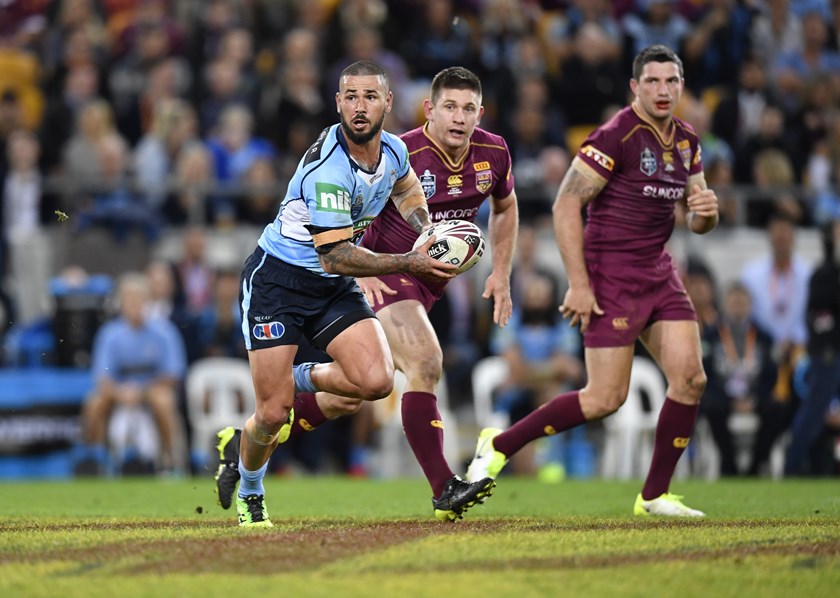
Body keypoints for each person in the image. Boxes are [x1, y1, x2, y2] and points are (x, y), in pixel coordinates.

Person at [213, 61, 493, 527]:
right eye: (350, 96)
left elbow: (405, 189)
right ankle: (251, 488)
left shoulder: (394, 150)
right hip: (278, 281)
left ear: (387, 103)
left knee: (376, 382)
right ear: (338, 103)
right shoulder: (330, 170)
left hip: (329, 288)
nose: (359, 107)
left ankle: (296, 378)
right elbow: (336, 257)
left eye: (369, 96)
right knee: (272, 411)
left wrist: (426, 230)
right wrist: (412, 261)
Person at [466, 45, 719, 517]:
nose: (663, 90)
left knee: (691, 378)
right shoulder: (616, 135)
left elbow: (697, 214)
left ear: (682, 86)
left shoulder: (687, 141)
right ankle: (499, 443)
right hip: (611, 274)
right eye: (652, 82)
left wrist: (707, 215)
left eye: (671, 82)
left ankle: (655, 495)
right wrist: (579, 284)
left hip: (659, 272)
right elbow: (565, 204)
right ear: (635, 87)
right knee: (605, 398)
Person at [287, 65, 519, 519]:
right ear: (429, 109)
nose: (458, 117)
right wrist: (361, 271)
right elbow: (349, 211)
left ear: (480, 114)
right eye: (449, 107)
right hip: (384, 272)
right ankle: (444, 489)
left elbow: (506, 207)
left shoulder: (495, 152)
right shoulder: (401, 150)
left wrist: (503, 273)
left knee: (352, 394)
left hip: (429, 284)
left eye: (468, 109)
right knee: (427, 363)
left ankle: (255, 435)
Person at [78, 272, 187, 475]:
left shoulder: (164, 331)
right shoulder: (109, 334)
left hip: (151, 390)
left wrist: (142, 390)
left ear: (148, 302)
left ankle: (166, 460)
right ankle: (97, 459)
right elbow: (102, 377)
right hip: (119, 392)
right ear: (121, 303)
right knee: (94, 403)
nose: (135, 305)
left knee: (163, 400)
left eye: (139, 300)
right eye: (130, 300)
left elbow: (172, 374)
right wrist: (120, 393)